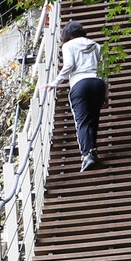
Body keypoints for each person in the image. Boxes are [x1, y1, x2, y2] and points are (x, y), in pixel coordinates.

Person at [54, 19, 106, 172]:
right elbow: (105, 71)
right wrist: (106, 95)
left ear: (68, 35)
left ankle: (86, 155)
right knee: (93, 120)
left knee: (82, 121)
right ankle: (93, 151)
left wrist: (55, 82)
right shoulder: (96, 46)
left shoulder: (68, 45)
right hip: (98, 83)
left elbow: (69, 65)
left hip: (80, 83)